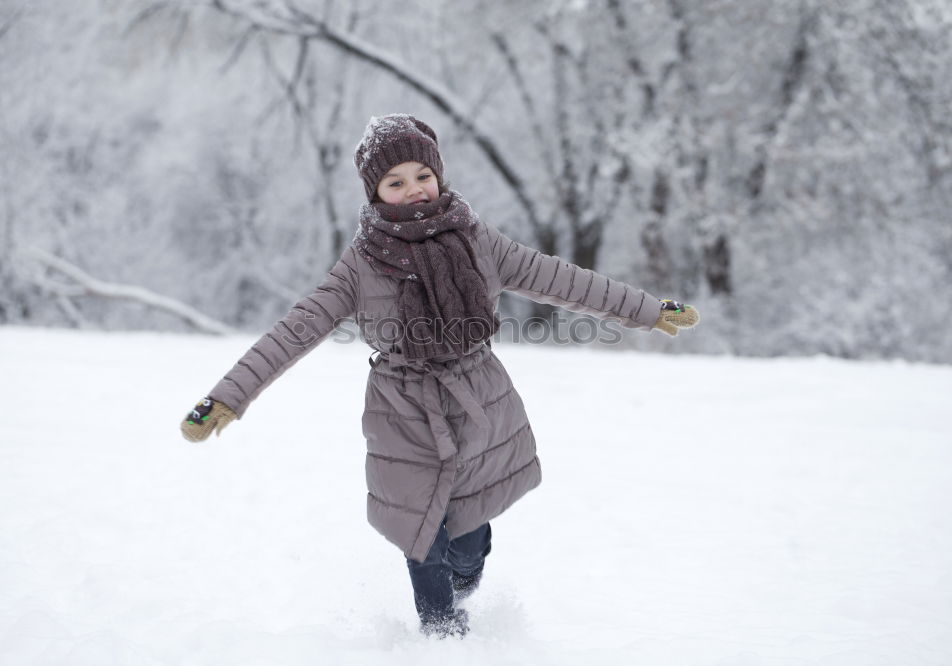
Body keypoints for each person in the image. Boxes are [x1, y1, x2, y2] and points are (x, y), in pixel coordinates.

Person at [180, 114, 699, 638]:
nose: (414, 191)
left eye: (422, 175)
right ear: (376, 192)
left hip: (477, 399)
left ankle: (463, 585)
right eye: (395, 182)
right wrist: (227, 398)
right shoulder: (361, 263)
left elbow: (561, 279)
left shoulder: (477, 240)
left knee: (467, 544)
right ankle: (441, 638)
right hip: (402, 409)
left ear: (439, 175)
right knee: (423, 533)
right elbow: (296, 330)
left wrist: (648, 309)